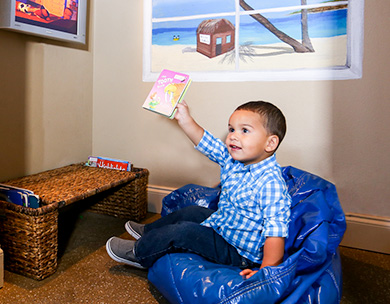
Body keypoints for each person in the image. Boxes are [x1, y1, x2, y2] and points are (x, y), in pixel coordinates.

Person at [106, 100, 291, 279]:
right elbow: (207, 142)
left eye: (244, 131)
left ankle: (140, 253)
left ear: (270, 143)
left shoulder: (270, 183)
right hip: (223, 226)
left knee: (184, 232)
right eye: (231, 129)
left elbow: (275, 232)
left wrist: (266, 271)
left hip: (238, 252)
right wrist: (185, 119)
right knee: (192, 212)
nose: (233, 136)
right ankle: (148, 232)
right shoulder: (234, 160)